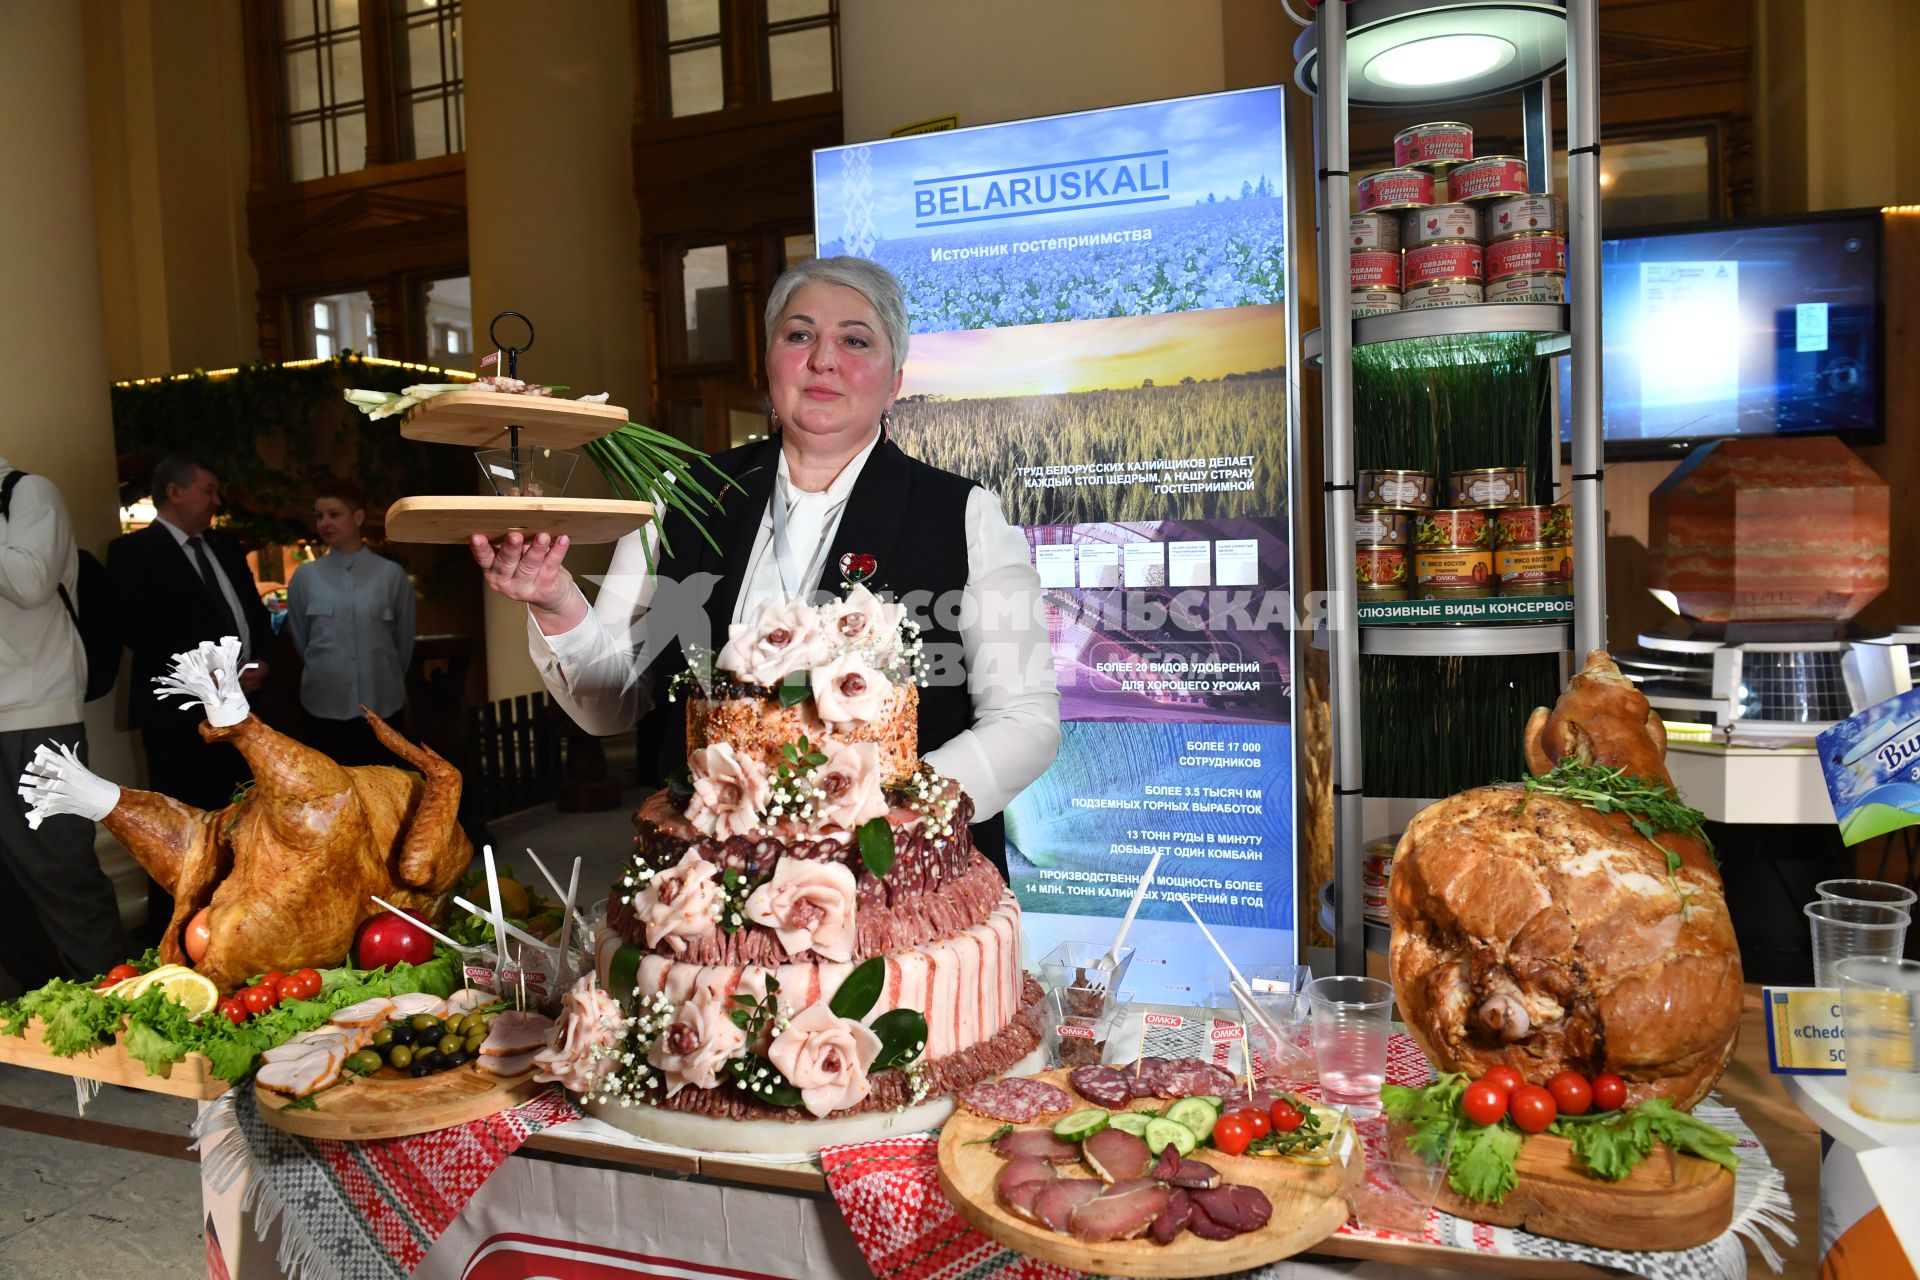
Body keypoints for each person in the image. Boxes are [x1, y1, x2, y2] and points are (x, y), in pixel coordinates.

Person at [470, 256, 1060, 874]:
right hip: (710, 874)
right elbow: (609, 702)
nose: (823, 359)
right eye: (799, 335)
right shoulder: (682, 496)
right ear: (768, 364)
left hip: (899, 871)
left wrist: (882, 808)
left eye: (854, 340)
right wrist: (557, 600)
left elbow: (1026, 722)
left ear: (894, 382)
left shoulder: (964, 515)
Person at [108, 453, 271, 939]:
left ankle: (246, 922)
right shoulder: (133, 553)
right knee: (186, 830)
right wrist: (213, 676)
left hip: (244, 712)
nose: (216, 501)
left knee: (245, 820)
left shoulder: (224, 545)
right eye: (208, 490)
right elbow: (139, 631)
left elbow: (253, 614)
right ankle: (180, 933)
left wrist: (262, 660)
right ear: (174, 492)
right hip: (178, 721)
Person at [0, 457, 130, 987]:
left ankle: (116, 1013)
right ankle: (30, 1018)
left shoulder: (29, 494)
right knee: (6, 882)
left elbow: (30, 581)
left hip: (37, 715)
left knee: (61, 870)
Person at [286, 479, 416, 766]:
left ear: (357, 517)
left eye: (334, 514)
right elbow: (301, 639)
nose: (324, 523)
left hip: (383, 704)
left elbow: (404, 642)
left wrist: (389, 676)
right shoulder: (305, 578)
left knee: (388, 790)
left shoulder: (390, 575)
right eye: (319, 515)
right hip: (323, 706)